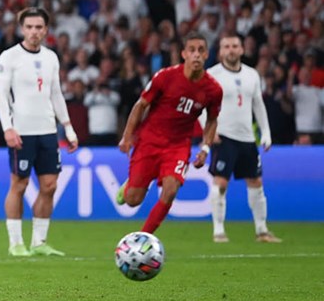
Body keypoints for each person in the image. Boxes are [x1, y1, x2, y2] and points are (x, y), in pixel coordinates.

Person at [116, 32, 223, 235]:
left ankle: (144, 237)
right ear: (184, 54)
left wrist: (205, 147)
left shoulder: (213, 90)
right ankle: (130, 185)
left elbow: (211, 119)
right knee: (132, 200)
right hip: (149, 140)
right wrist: (127, 135)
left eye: (201, 50)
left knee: (171, 189)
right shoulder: (165, 77)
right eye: (192, 50)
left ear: (207, 54)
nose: (196, 55)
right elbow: (141, 105)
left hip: (178, 146)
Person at [0, 7, 79, 258]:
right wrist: (7, 127)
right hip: (21, 130)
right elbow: (0, 96)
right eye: (29, 27)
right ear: (22, 29)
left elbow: (56, 94)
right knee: (18, 184)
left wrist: (68, 127)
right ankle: (15, 243)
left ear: (46, 30)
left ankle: (40, 242)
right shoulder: (8, 57)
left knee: (50, 185)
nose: (34, 32)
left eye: (38, 27)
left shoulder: (52, 57)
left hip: (48, 130)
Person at [204, 35, 281, 243]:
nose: (231, 50)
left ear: (241, 50)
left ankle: (262, 230)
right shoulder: (211, 75)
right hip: (224, 136)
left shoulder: (252, 75)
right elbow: (201, 106)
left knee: (256, 181)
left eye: (235, 46)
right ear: (220, 52)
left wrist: (265, 132)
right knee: (220, 182)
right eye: (226, 46)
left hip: (247, 137)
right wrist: (210, 130)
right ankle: (218, 231)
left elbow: (258, 104)